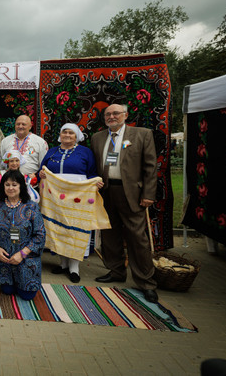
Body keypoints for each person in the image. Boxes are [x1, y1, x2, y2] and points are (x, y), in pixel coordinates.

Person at [90, 103, 158, 303]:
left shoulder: (142, 135)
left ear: (125, 115)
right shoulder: (97, 138)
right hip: (106, 192)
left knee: (138, 237)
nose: (112, 116)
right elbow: (95, 165)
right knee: (110, 233)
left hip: (132, 193)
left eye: (116, 113)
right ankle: (116, 271)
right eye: (108, 114)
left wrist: (148, 194)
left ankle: (146, 282)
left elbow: (150, 167)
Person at [38, 123, 100, 283]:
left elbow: (92, 173)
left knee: (76, 229)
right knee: (57, 228)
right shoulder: (52, 152)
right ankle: (63, 264)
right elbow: (41, 170)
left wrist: (95, 183)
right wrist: (42, 174)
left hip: (78, 198)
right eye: (64, 131)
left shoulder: (85, 152)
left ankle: (74, 267)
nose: (67, 135)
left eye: (71, 132)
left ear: (77, 136)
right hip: (55, 199)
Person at [0, 170, 46, 300]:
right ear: (3, 187)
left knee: (27, 295)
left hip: (26, 259)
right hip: (4, 259)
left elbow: (40, 235)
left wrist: (22, 253)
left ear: (21, 186)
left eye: (14, 184)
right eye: (7, 185)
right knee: (7, 290)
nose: (11, 188)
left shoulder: (31, 207)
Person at [0, 115, 48, 179]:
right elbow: (2, 164)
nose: (20, 126)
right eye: (18, 124)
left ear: (30, 126)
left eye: (23, 124)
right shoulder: (5, 141)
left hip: (31, 183)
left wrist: (36, 177)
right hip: (9, 182)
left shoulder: (40, 142)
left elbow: (43, 166)